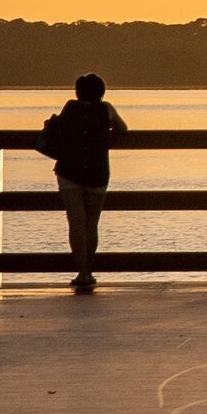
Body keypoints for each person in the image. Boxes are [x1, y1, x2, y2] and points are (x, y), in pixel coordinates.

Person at [36, 73, 127, 294]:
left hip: (70, 170)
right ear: (101, 91)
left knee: (76, 223)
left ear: (78, 91)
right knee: (91, 223)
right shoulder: (106, 109)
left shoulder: (71, 107)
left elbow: (60, 129)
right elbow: (123, 129)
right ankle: (89, 271)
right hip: (97, 170)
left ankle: (82, 273)